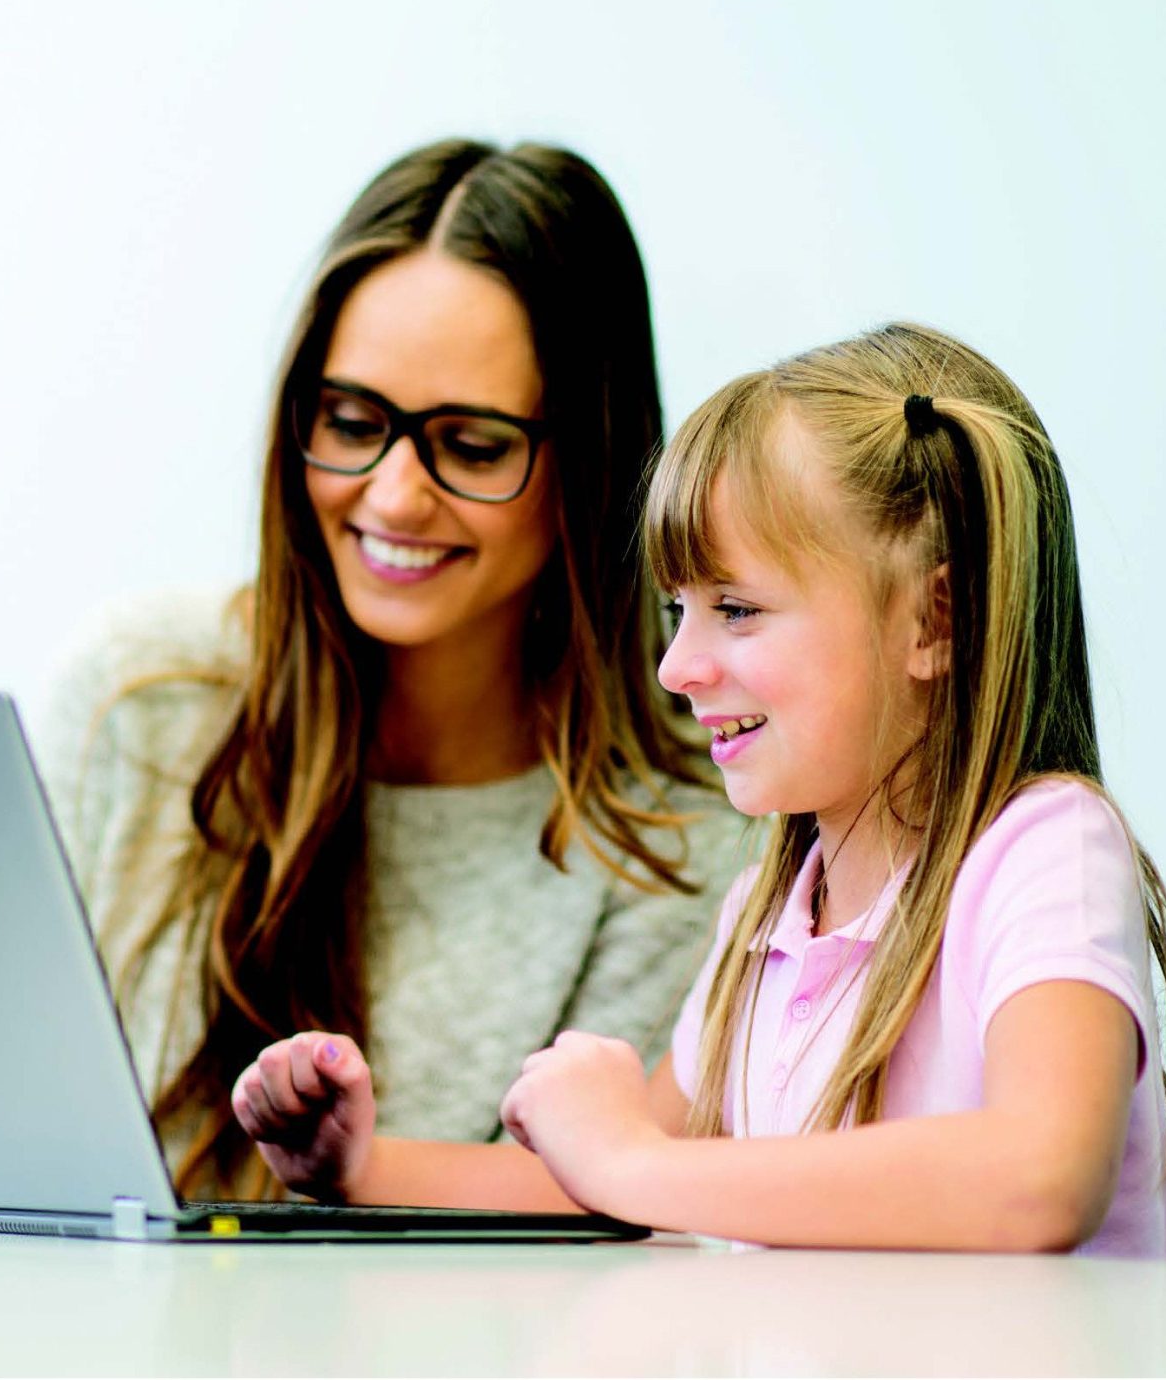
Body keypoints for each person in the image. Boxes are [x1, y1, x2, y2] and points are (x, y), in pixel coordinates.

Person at [233, 322, 1166, 1254]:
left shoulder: (1043, 852)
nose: (677, 667)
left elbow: (1040, 1176)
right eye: (679, 609)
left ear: (936, 621)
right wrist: (360, 1166)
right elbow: (609, 1183)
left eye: (737, 609)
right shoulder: (764, 918)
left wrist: (634, 1160)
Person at [37, 139, 754, 1200]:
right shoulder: (136, 696)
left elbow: (596, 1225)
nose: (393, 496)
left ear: (591, 464)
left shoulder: (679, 823)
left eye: (471, 446)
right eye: (352, 423)